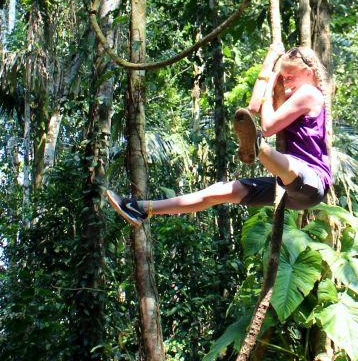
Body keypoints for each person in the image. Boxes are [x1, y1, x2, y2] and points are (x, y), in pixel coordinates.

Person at [107, 45, 332, 226]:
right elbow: (254, 107)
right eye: (285, 78)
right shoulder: (293, 93)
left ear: (308, 72)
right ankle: (141, 208)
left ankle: (258, 148)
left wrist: (274, 85)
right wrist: (270, 66)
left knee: (288, 164)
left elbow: (268, 126)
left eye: (290, 76)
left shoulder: (309, 93)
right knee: (216, 192)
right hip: (287, 187)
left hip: (311, 182)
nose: (287, 82)